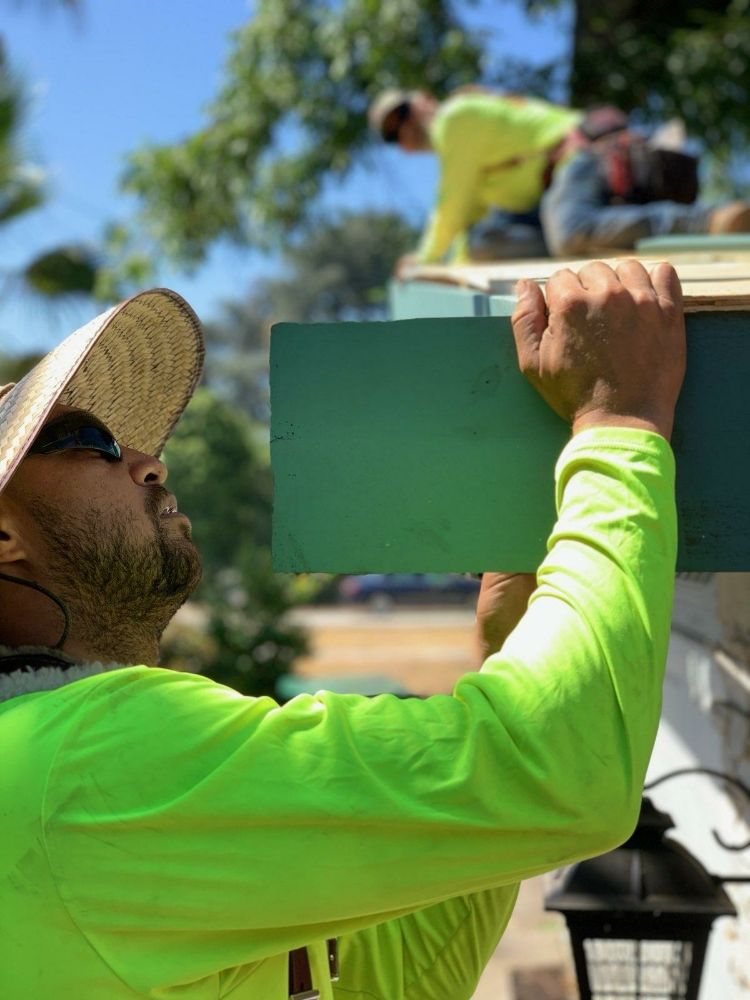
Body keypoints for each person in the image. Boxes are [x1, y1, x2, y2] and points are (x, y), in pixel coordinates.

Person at [0, 260, 685, 999]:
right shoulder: (86, 761)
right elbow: (560, 773)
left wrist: (510, 647)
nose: (150, 463)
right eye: (83, 442)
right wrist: (618, 425)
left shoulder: (64, 775)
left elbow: (391, 979)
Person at [369, 88, 750, 262]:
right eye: (393, 132)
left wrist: (422, 262)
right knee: (485, 241)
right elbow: (465, 225)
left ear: (422, 100)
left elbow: (450, 208)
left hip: (580, 159)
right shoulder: (471, 163)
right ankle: (599, 237)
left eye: (403, 113)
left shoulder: (454, 119)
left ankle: (707, 220)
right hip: (554, 195)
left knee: (568, 231)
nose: (405, 127)